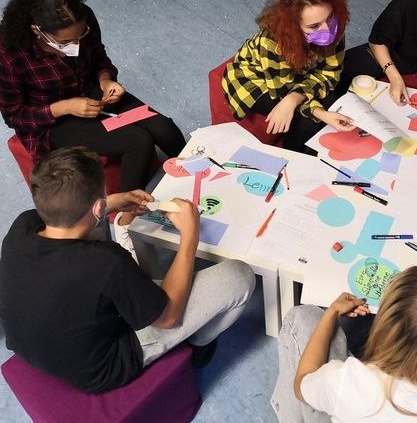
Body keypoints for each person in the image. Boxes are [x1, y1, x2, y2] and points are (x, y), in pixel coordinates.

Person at [0, 147, 255, 393]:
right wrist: (190, 234)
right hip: (101, 369)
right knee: (238, 276)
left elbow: (71, 219)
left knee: (98, 240)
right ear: (97, 207)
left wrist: (110, 203)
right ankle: (198, 344)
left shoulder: (23, 224)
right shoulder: (106, 262)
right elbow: (168, 319)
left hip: (30, 344)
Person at [0, 0, 187, 234]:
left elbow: (99, 56)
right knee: (137, 141)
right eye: (65, 43)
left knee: (164, 129)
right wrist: (66, 107)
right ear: (37, 31)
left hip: (93, 93)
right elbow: (15, 116)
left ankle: (199, 179)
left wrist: (106, 80)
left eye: (80, 37)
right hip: (53, 120)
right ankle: (124, 223)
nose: (75, 47)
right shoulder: (9, 53)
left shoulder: (82, 17)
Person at [271, 266, 417, 423]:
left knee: (303, 316)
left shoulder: (347, 381)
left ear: (383, 326)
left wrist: (331, 313)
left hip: (355, 397)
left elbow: (301, 386)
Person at [222, 0, 355, 153]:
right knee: (307, 121)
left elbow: (330, 74)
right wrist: (317, 112)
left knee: (330, 101)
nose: (327, 29)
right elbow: (282, 92)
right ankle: (291, 158)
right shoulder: (272, 44)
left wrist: (294, 98)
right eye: (314, 26)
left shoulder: (333, 26)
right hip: (257, 80)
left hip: (297, 75)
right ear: (293, 25)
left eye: (329, 17)